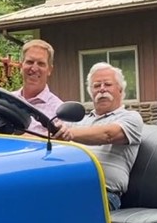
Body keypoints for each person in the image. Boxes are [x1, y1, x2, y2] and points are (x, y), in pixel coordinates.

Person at [57, 62, 144, 210]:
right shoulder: (79, 121)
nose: (102, 89)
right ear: (90, 92)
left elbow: (108, 135)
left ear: (120, 89)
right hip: (68, 188)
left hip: (103, 194)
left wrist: (69, 134)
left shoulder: (131, 118)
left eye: (108, 84)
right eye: (97, 86)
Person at [0, 39, 64, 135]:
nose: (34, 68)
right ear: (21, 66)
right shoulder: (4, 101)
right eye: (30, 62)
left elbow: (62, 142)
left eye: (41, 64)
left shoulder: (59, 111)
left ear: (49, 70)